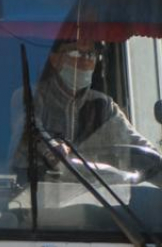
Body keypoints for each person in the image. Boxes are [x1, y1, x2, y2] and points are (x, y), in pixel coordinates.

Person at [11, 38, 162, 178]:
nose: (84, 60)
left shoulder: (103, 106)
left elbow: (138, 145)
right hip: (34, 197)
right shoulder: (30, 96)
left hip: (101, 201)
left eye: (90, 54)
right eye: (75, 52)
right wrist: (52, 148)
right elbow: (30, 130)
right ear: (54, 59)